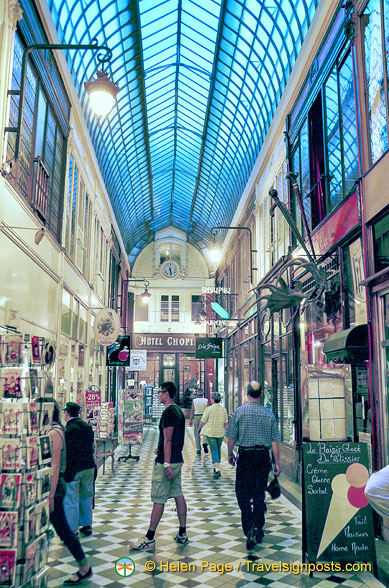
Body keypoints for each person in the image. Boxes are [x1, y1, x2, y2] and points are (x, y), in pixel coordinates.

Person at [37, 398, 92, 585]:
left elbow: (55, 466)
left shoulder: (54, 433)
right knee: (61, 528)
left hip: (54, 486)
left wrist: (50, 495)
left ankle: (84, 567)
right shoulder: (60, 429)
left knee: (63, 529)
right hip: (56, 484)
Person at [129, 381, 188, 550]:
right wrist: (161, 448)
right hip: (177, 458)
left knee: (158, 498)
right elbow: (173, 438)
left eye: (160, 392)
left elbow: (169, 439)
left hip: (167, 462)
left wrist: (166, 463)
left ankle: (149, 538)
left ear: (167, 394)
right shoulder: (178, 411)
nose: (158, 395)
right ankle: (182, 533)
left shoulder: (169, 412)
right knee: (178, 493)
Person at [226, 381, 281, 551]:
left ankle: (249, 525)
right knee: (258, 494)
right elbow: (274, 442)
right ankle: (258, 527)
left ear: (247, 394)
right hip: (263, 457)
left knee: (242, 493)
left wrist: (230, 454)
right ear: (261, 394)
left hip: (246, 456)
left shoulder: (239, 413)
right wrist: (276, 463)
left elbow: (231, 437)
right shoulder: (269, 414)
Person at [63, 402, 95, 537]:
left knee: (71, 498)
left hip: (74, 468)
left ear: (67, 413)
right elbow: (92, 447)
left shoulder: (68, 429)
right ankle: (87, 525)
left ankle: (72, 529)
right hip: (89, 466)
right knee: (86, 496)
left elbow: (68, 452)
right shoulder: (87, 427)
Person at [198, 392, 228, 478]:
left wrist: (199, 428)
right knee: (218, 450)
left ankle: (217, 469)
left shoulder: (209, 409)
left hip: (210, 433)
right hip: (220, 433)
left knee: (214, 450)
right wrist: (228, 432)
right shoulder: (224, 410)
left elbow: (203, 421)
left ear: (213, 399)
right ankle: (216, 467)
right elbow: (226, 423)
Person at [189, 388, 208, 454]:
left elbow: (192, 410)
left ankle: (198, 448)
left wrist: (190, 419)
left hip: (196, 416)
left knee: (197, 432)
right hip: (204, 416)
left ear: (197, 393)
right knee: (205, 431)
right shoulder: (206, 400)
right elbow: (208, 410)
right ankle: (205, 442)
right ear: (203, 393)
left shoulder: (194, 401)